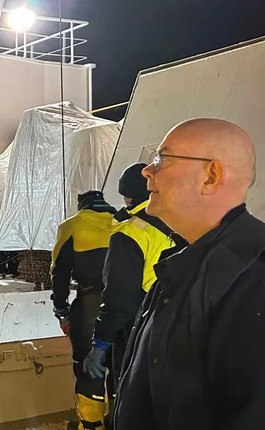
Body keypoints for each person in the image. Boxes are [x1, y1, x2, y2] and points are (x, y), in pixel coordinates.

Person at [112, 118, 265, 429]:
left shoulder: (255, 276)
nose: (147, 170)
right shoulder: (198, 263)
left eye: (161, 159)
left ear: (211, 176)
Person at [83, 163, 176, 422]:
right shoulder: (183, 223)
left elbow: (119, 298)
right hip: (178, 325)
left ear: (127, 195)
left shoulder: (130, 232)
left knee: (129, 400)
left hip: (138, 329)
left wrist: (101, 342)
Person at [50, 190, 118, 430]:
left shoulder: (72, 226)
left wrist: (61, 308)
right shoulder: (123, 223)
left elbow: (59, 271)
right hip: (125, 304)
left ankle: (90, 424)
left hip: (90, 304)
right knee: (120, 365)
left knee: (89, 365)